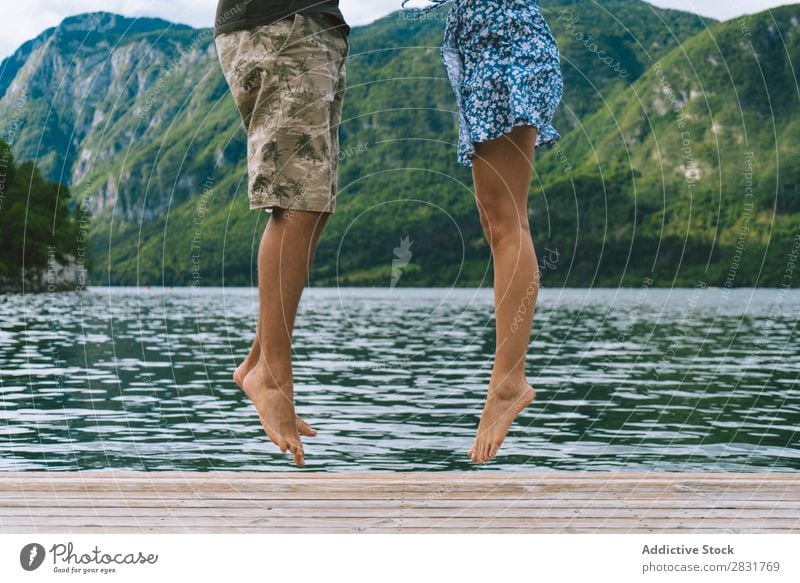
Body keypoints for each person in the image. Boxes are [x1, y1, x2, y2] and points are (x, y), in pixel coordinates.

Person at [404, 0, 564, 464]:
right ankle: (508, 379)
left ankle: (510, 381)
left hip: (505, 44)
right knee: (497, 222)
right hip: (486, 48)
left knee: (509, 222)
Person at [214, 1, 350, 467]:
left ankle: (257, 364)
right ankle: (271, 374)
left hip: (313, 27)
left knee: (314, 202)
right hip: (280, 24)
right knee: (296, 200)